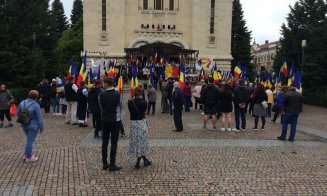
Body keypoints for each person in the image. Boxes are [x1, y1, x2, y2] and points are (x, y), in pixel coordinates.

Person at [99, 77, 122, 171]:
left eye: (103, 83)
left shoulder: (101, 94)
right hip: (115, 120)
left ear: (106, 84)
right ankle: (112, 164)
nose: (102, 84)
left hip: (105, 120)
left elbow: (101, 107)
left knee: (104, 142)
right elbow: (121, 107)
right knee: (114, 143)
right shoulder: (118, 94)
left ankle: (105, 163)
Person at [17, 90, 45, 162]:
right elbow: (39, 118)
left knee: (29, 140)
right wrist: (42, 128)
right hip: (33, 126)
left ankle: (26, 154)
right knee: (30, 141)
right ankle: (28, 157)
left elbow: (18, 113)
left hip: (24, 124)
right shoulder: (36, 105)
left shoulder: (22, 102)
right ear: (36, 97)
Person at [128, 87, 152, 169]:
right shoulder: (144, 102)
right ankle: (140, 161)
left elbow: (130, 111)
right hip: (141, 123)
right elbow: (144, 112)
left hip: (134, 123)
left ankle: (144, 160)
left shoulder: (130, 102)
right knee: (142, 141)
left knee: (136, 141)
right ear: (141, 94)